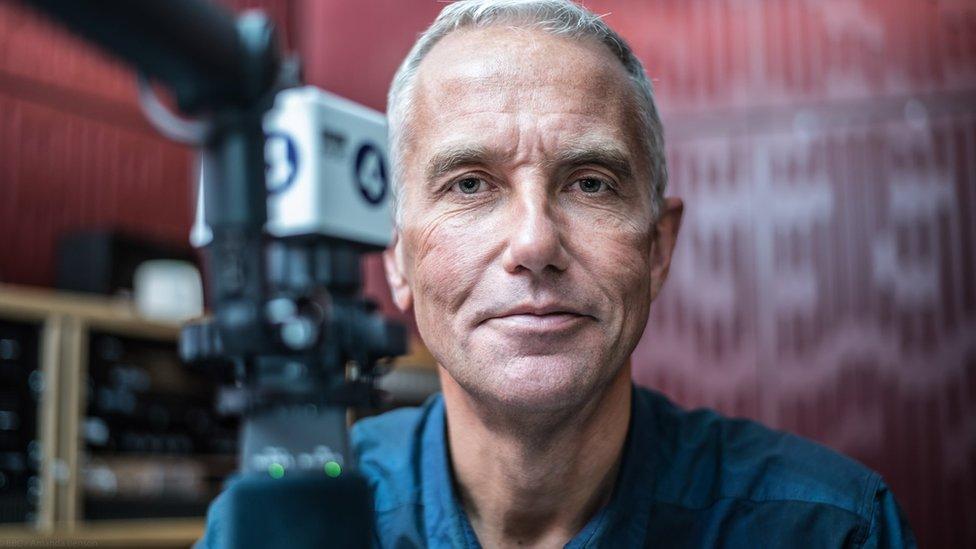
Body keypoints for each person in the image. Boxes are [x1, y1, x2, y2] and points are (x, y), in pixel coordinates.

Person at [200, 0, 915, 547]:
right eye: (471, 185)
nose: (535, 242)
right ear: (395, 256)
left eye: (591, 183)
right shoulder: (278, 522)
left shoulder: (831, 528)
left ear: (658, 247)